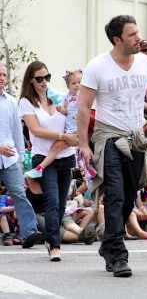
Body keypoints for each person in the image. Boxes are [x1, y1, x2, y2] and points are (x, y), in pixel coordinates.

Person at [77, 15, 147, 278]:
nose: (137, 38)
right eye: (132, 35)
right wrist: (84, 144)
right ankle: (118, 256)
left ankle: (108, 241)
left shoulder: (145, 63)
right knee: (116, 194)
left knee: (131, 193)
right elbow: (84, 107)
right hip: (108, 137)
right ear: (117, 40)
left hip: (136, 136)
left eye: (137, 33)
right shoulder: (97, 66)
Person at [18, 61, 79, 262]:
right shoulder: (26, 102)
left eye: (47, 77)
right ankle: (54, 245)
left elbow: (74, 118)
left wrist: (68, 138)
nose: (44, 82)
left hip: (66, 155)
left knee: (61, 203)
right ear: (31, 80)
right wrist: (62, 136)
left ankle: (51, 237)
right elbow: (35, 130)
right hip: (43, 157)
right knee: (51, 201)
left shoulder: (59, 97)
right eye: (39, 78)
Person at [0, 63, 42, 249]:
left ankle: (29, 233)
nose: (2, 78)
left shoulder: (10, 102)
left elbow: (18, 133)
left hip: (10, 159)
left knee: (19, 194)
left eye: (4, 75)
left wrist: (20, 160)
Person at [24, 69, 83, 179]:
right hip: (68, 129)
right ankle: (41, 168)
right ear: (68, 86)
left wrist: (81, 97)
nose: (77, 85)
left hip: (76, 129)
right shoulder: (67, 97)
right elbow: (67, 111)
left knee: (55, 147)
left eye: (80, 83)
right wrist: (61, 110)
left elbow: (86, 108)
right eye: (74, 83)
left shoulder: (83, 95)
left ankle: (40, 167)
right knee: (56, 148)